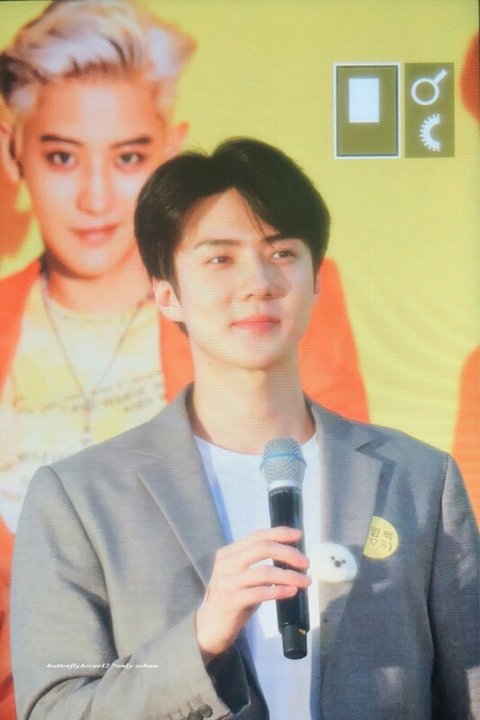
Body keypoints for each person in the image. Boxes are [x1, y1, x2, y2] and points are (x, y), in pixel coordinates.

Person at [11, 138, 479, 719]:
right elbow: (56, 709)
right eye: (220, 259)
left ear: (316, 280)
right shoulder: (81, 498)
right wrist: (201, 637)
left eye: (282, 252)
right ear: (166, 294)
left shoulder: (420, 479)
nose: (258, 281)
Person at [0, 3, 367, 712]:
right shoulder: (72, 492)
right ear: (15, 151)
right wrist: (198, 638)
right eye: (62, 156)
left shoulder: (408, 473)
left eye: (129, 157)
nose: (96, 197)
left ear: (168, 149)